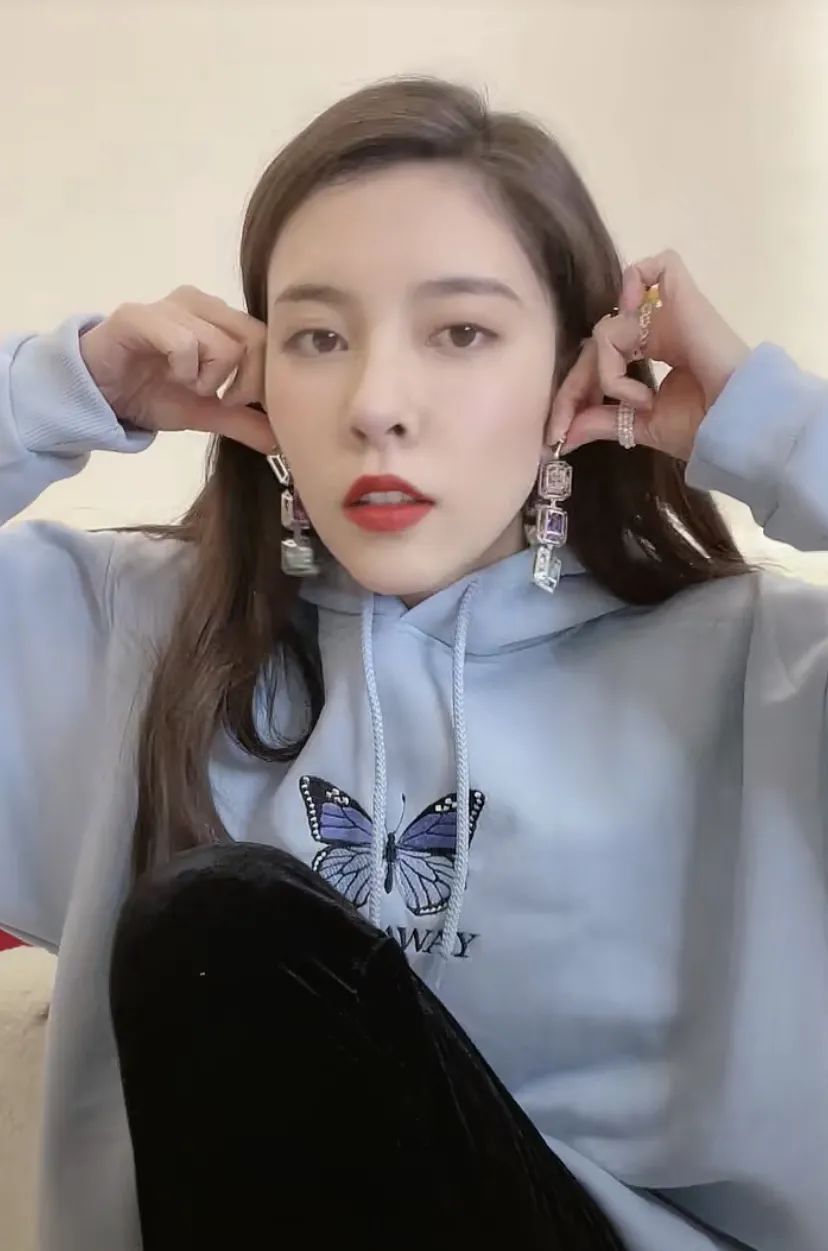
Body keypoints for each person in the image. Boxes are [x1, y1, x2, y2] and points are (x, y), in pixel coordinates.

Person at [0, 74, 826, 1251]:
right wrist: (64, 388)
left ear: (573, 370)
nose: (376, 404)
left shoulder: (765, 674)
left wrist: (774, 424)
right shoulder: (123, 640)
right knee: (224, 933)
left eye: (461, 333)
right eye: (319, 338)